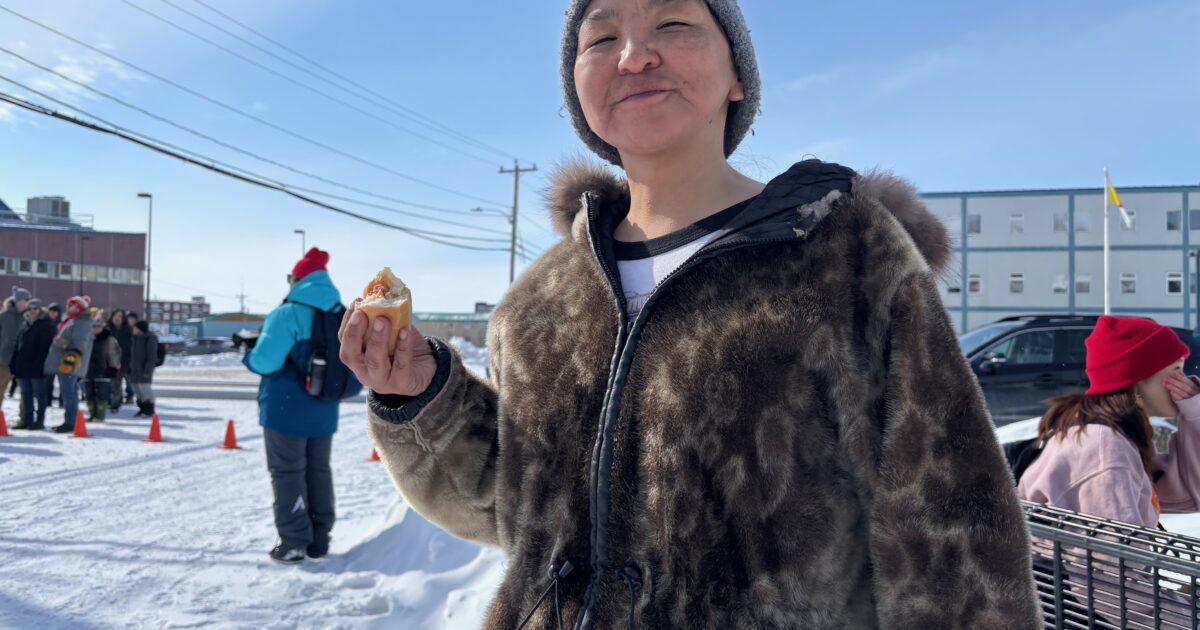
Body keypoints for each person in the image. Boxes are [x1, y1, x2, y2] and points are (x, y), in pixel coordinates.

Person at [340, 1, 1039, 628]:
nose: (633, 55)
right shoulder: (536, 306)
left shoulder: (846, 259)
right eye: (601, 37)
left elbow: (953, 534)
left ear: (738, 77)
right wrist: (422, 397)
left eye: (672, 22)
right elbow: (521, 513)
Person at [1019, 316, 1200, 525]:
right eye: (1177, 369)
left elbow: (1190, 493)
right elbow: (1117, 544)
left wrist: (1195, 413)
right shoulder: (1105, 450)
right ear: (1138, 378)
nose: (1186, 380)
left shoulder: (1111, 435)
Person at [245, 248, 343, 564]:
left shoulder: (288, 313)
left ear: (298, 279)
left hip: (285, 411)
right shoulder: (339, 314)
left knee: (288, 473)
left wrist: (249, 354)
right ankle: (319, 538)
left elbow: (265, 361)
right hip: (324, 409)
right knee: (319, 471)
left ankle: (294, 542)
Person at [46, 296, 94, 433]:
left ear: (78, 307)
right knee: (69, 392)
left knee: (69, 393)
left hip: (70, 364)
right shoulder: (73, 320)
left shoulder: (81, 323)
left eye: (70, 305)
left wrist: (59, 342)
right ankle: (70, 420)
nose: (67, 307)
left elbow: (78, 346)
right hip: (67, 363)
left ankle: (71, 422)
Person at [8, 299, 54, 430]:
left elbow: (47, 348)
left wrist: (41, 364)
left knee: (40, 395)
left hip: (38, 367)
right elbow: (17, 345)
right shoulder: (25, 324)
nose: (32, 311)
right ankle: (27, 419)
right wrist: (13, 364)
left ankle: (39, 420)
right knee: (26, 394)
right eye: (30, 308)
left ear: (40, 310)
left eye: (35, 308)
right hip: (23, 366)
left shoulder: (46, 324)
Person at [84, 310, 121, 424]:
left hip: (103, 370)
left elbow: (114, 355)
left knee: (102, 395)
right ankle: (92, 414)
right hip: (88, 370)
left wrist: (112, 368)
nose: (96, 329)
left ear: (102, 327)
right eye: (94, 326)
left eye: (98, 326)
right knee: (89, 394)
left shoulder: (109, 339)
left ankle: (100, 415)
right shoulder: (87, 338)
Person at [0, 286, 31, 402]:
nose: (26, 303)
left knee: (25, 391)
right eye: (25, 300)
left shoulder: (29, 317)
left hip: (22, 360)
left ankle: (25, 413)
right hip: (4, 359)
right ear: (17, 300)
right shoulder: (4, 316)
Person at [128, 320, 158, 418]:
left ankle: (149, 410)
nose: (133, 329)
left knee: (145, 390)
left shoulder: (149, 338)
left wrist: (148, 370)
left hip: (143, 370)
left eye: (135, 328)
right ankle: (142, 409)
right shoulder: (134, 338)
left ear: (140, 329)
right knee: (137, 390)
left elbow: (152, 356)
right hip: (134, 370)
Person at [107, 308, 130, 412]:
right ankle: (109, 401)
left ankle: (115, 403)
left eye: (120, 316)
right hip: (107, 360)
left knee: (116, 383)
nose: (117, 318)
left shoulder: (127, 330)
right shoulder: (107, 329)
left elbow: (129, 347)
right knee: (107, 384)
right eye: (115, 316)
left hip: (121, 361)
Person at [123, 312, 140, 404]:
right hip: (124, 357)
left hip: (134, 358)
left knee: (130, 379)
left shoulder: (138, 330)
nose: (131, 321)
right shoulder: (124, 329)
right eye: (129, 319)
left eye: (133, 319)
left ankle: (130, 395)